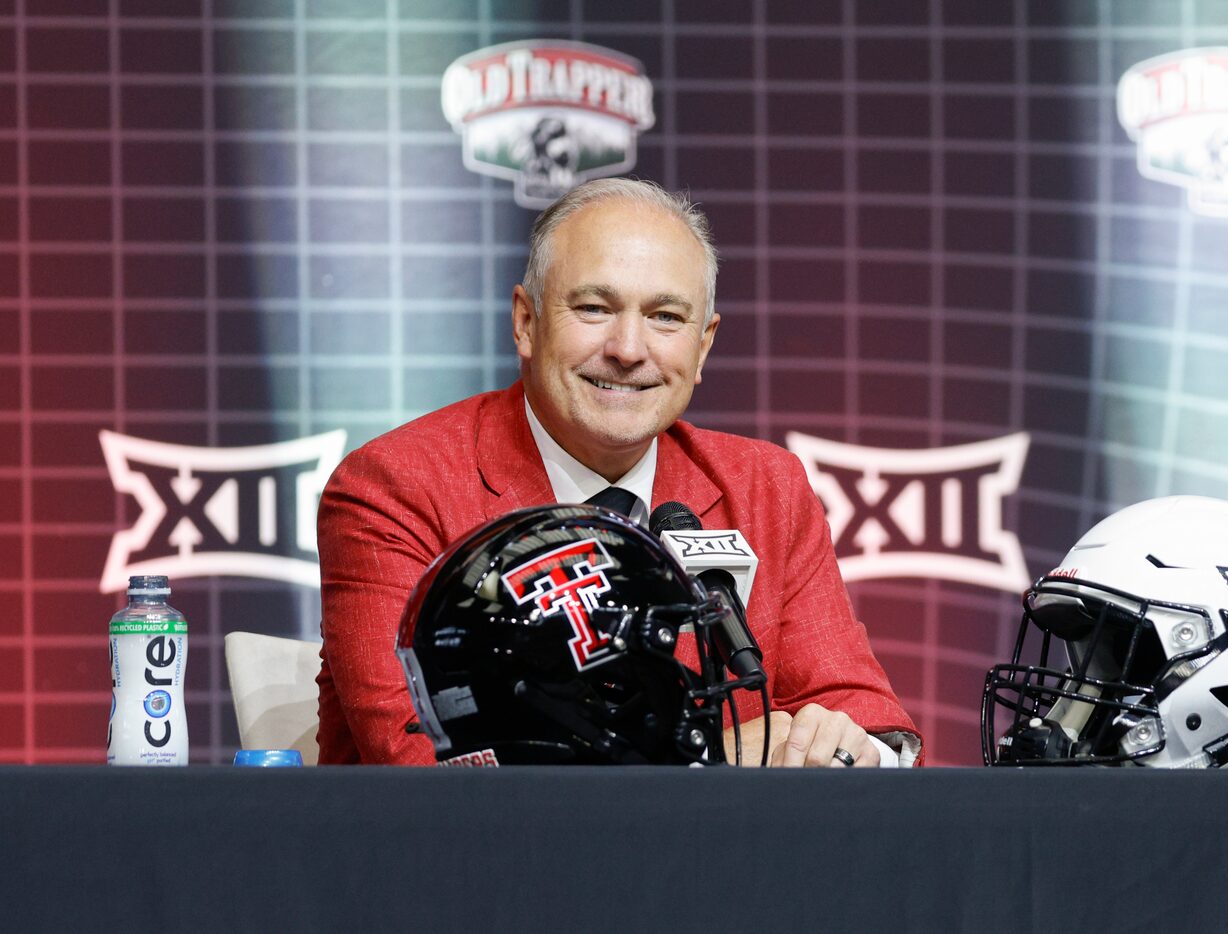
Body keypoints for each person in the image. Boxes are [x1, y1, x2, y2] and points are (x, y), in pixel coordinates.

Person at [316, 178, 921, 767]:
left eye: (665, 317)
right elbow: (422, 758)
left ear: (703, 346)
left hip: (726, 868)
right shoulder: (396, 486)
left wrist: (846, 748)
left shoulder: (766, 487)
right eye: (594, 307)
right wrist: (705, 758)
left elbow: (871, 721)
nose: (629, 348)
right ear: (526, 322)